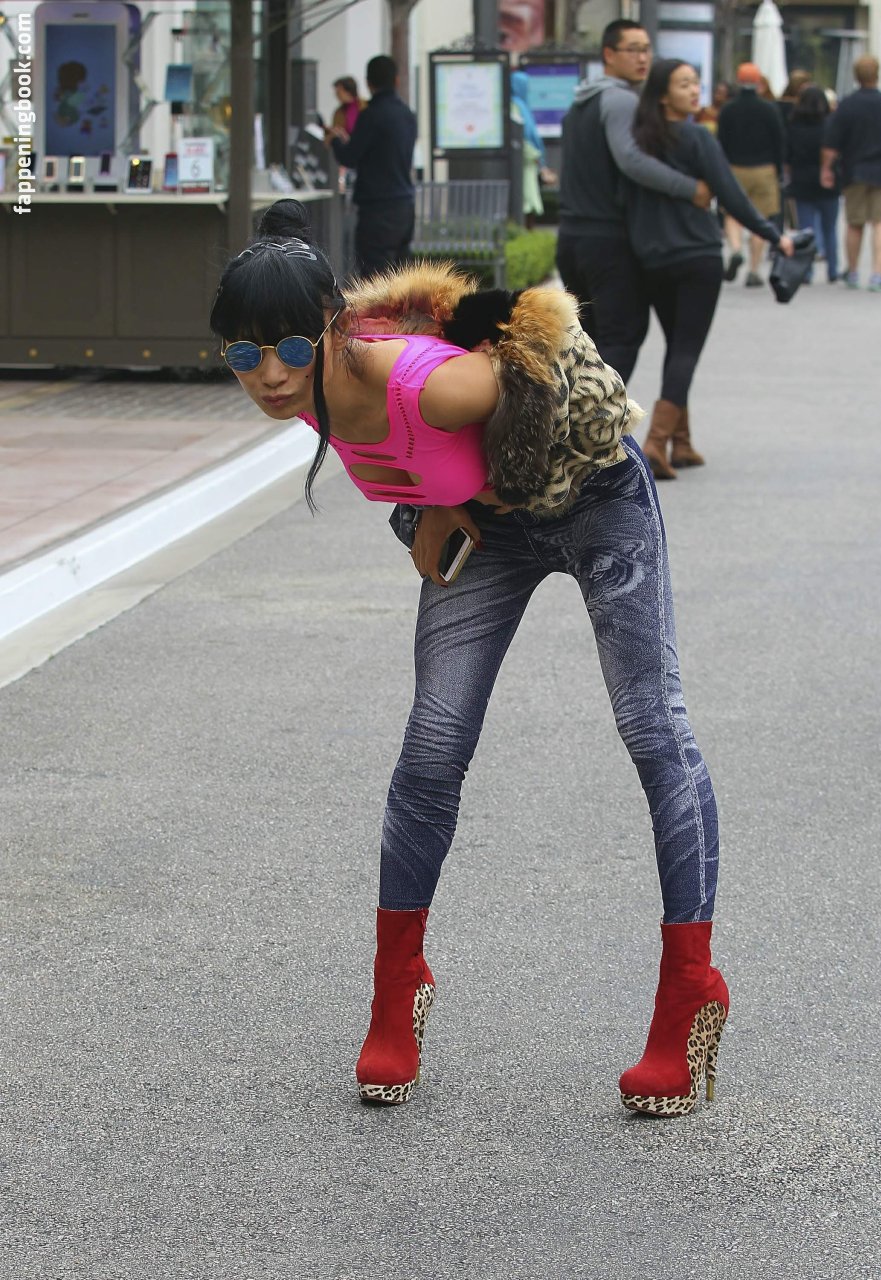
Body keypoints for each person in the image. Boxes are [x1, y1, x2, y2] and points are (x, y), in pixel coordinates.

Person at [211, 197, 731, 1118]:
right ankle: (395, 993)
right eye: (244, 355)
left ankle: (689, 992)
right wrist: (426, 507)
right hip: (491, 534)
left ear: (331, 329)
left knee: (652, 729)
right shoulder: (299, 390)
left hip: (593, 500)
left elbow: (555, 370)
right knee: (431, 747)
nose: (271, 374)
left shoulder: (433, 385)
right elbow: (409, 463)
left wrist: (495, 476)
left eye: (289, 348)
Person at [627, 60, 794, 479]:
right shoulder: (698, 136)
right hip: (697, 256)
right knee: (686, 349)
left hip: (653, 258)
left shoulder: (638, 142)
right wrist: (773, 234)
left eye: (696, 83)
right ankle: (656, 443)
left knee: (676, 346)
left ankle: (681, 443)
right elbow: (730, 194)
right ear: (662, 95)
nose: (694, 90)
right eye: (684, 84)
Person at [556, 19, 715, 383]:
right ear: (609, 54)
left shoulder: (580, 102)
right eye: (633, 50)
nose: (643, 58)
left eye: (646, 50)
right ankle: (598, 415)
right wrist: (691, 188)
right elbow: (632, 159)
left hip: (572, 239)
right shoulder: (621, 100)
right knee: (622, 335)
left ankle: (573, 413)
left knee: (588, 342)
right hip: (607, 240)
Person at [821, 54, 881, 292]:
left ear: (856, 76)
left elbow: (831, 143)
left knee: (854, 223)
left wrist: (826, 168)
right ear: (878, 74)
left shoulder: (847, 105)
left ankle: (853, 271)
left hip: (854, 170)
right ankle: (878, 274)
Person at [327, 55, 416, 279]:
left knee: (375, 280)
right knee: (402, 279)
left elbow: (349, 157)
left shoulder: (370, 116)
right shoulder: (408, 115)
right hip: (405, 206)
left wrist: (335, 140)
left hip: (377, 210)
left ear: (368, 83)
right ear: (396, 80)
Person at [718, 62, 785, 287]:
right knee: (761, 218)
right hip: (764, 169)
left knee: (732, 213)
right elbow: (779, 142)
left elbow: (721, 142)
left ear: (738, 81)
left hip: (735, 168)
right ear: (758, 82)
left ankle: (736, 249)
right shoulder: (769, 109)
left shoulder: (728, 109)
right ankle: (754, 270)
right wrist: (779, 170)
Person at [786, 86, 839, 283]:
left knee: (806, 228)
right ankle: (833, 269)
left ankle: (806, 270)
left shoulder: (793, 126)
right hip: (828, 180)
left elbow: (787, 156)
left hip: (801, 179)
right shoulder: (830, 126)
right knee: (830, 227)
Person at [510, 70, 553, 228]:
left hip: (530, 161)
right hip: (525, 161)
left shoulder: (522, 105)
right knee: (526, 200)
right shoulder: (515, 106)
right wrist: (535, 155)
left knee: (529, 199)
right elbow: (522, 134)